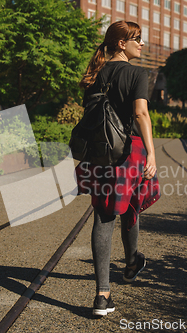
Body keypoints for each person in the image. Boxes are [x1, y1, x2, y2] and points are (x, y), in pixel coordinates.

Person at [76, 21, 161, 317]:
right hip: (128, 152)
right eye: (137, 39)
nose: (142, 44)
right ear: (122, 44)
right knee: (129, 206)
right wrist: (151, 153)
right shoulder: (137, 73)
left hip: (98, 154)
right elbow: (141, 113)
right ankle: (130, 262)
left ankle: (103, 294)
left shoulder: (94, 74)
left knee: (103, 213)